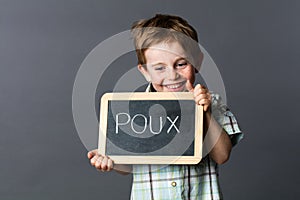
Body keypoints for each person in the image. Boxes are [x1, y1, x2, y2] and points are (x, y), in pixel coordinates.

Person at [88, 14, 243, 199]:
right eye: (160, 68)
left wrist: (206, 113)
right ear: (145, 71)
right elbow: (127, 166)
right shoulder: (133, 111)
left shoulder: (212, 103)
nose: (172, 75)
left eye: (181, 64)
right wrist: (110, 159)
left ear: (197, 62)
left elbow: (222, 156)